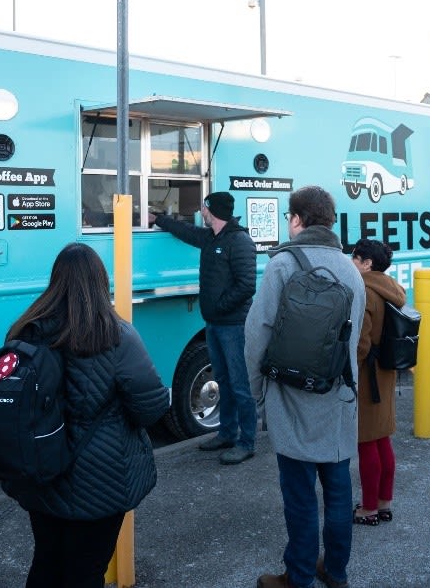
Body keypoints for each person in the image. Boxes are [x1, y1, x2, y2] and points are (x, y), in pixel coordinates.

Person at [1, 242, 169, 588]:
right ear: (99, 281)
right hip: (101, 478)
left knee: (46, 561)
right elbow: (151, 407)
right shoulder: (117, 334)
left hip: (41, 469)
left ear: (55, 280)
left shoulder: (26, 330)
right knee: (86, 571)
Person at [245, 186, 365, 588]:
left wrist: (259, 391)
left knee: (299, 496)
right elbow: (354, 340)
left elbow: (257, 334)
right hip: (337, 395)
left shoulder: (283, 264)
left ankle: (297, 577)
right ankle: (335, 572)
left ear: (297, 220)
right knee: (337, 491)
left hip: (292, 397)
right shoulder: (352, 270)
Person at [150, 191, 258, 465]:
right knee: (224, 381)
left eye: (205, 207)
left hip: (232, 325)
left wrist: (219, 307)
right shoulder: (211, 238)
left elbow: (247, 285)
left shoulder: (239, 241)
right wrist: (158, 220)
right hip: (214, 324)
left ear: (215, 211)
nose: (202, 211)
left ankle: (247, 442)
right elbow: (186, 231)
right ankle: (226, 433)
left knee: (239, 385)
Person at [349, 238, 406, 527]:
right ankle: (384, 503)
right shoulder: (390, 287)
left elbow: (360, 343)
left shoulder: (365, 292)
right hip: (386, 371)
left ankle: (368, 508)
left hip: (366, 374)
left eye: (354, 258)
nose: (351, 262)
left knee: (366, 442)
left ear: (367, 263)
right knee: (382, 438)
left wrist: (345, 370)